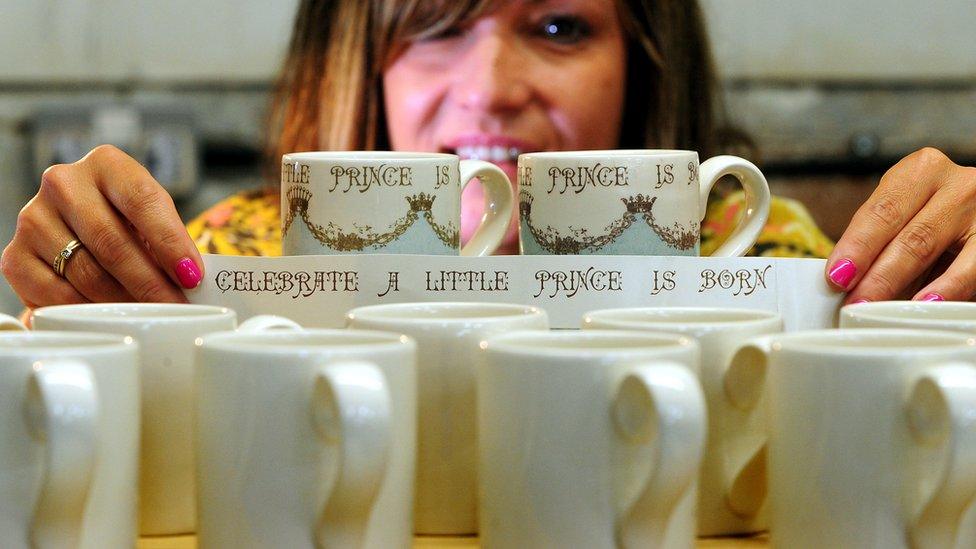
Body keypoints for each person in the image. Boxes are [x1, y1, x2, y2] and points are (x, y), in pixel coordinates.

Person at [2, 0, 973, 317]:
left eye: (556, 27)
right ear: (358, 60)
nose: (490, 86)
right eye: (438, 26)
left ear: (642, 66)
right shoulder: (237, 264)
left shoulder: (773, 262)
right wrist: (81, 317)